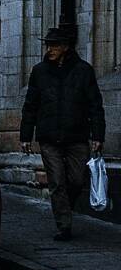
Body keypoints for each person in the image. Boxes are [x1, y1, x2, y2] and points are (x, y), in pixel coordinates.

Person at [20, 25, 106, 239]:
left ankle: (66, 207)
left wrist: (98, 135)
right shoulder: (39, 71)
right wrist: (25, 135)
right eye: (48, 45)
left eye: (54, 45)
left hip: (76, 135)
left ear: (65, 47)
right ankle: (64, 225)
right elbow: (30, 104)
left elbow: (95, 105)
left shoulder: (83, 71)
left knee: (77, 180)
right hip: (49, 136)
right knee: (57, 181)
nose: (49, 49)